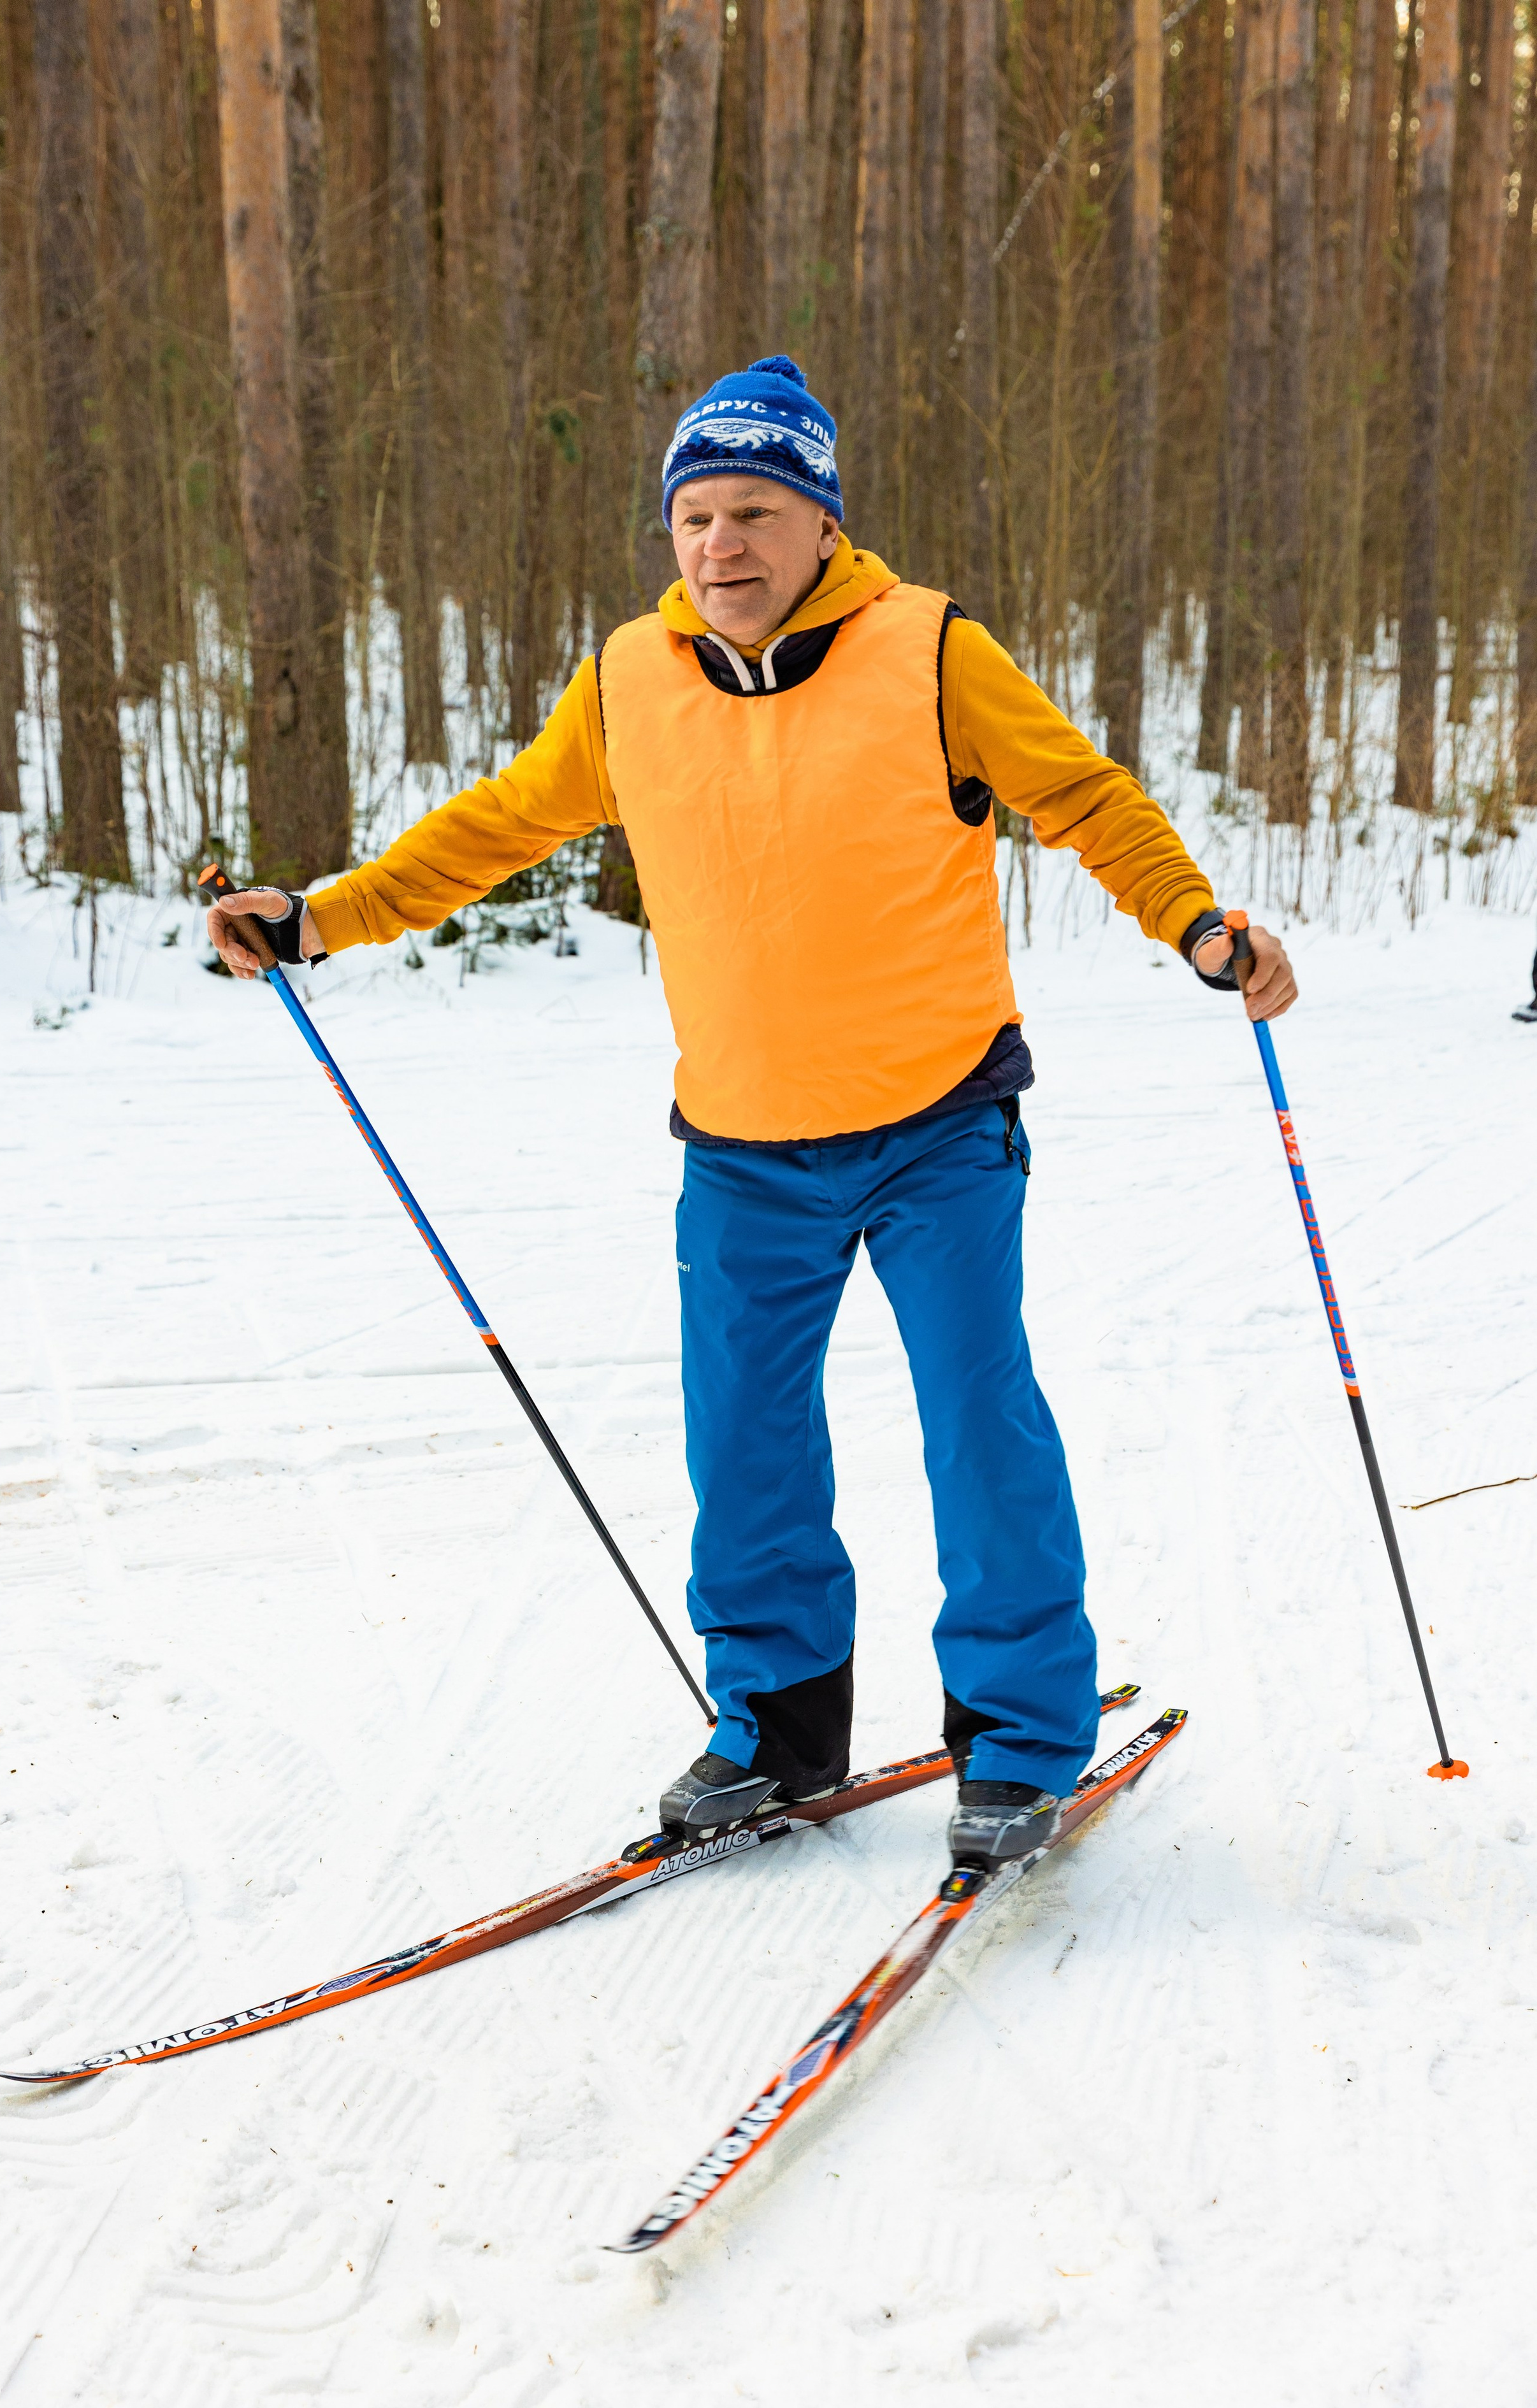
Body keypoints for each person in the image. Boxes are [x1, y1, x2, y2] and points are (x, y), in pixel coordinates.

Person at [208, 356, 1296, 1871]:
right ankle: (774, 1728)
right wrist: (324, 919)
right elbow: (500, 824)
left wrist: (1192, 926)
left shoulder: (927, 651)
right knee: (746, 1448)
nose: (721, 545)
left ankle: (1023, 1738)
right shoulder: (627, 682)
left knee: (978, 1427)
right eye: (695, 517)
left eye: (754, 512)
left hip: (937, 1128)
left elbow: (1085, 799)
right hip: (737, 1147)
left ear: (821, 522)